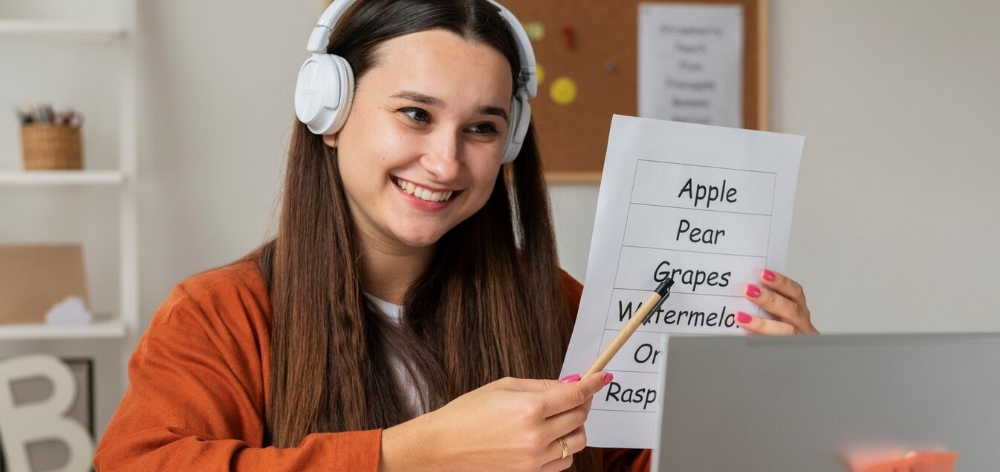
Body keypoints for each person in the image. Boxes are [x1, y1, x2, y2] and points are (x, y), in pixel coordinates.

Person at [93, 0, 817, 470]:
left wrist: (787, 397)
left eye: (481, 128)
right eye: (415, 114)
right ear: (330, 113)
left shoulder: (567, 311)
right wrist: (410, 453)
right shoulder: (218, 316)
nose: (446, 161)